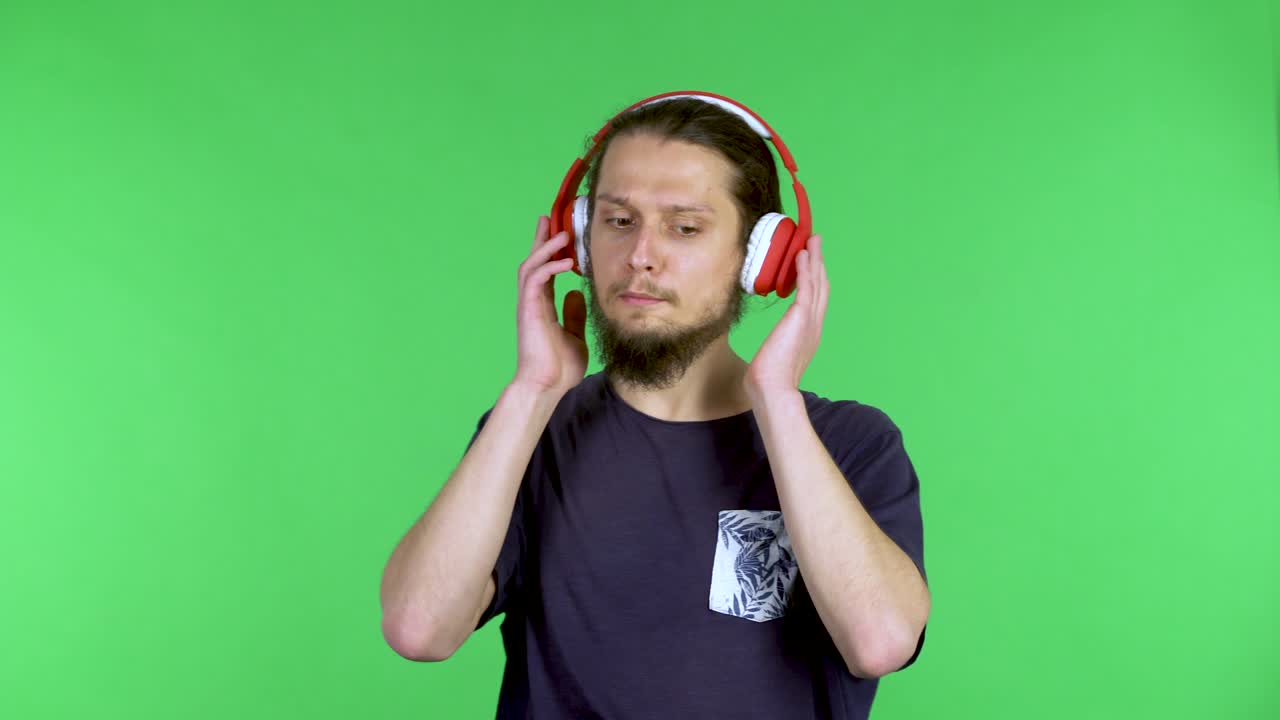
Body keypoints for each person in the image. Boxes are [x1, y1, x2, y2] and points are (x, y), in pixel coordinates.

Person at [379, 92, 931, 719]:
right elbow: (418, 629)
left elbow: (880, 642)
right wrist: (531, 390)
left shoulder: (848, 441)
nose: (641, 254)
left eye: (685, 227)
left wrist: (777, 401)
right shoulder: (535, 431)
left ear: (759, 259)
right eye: (618, 221)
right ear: (579, 241)